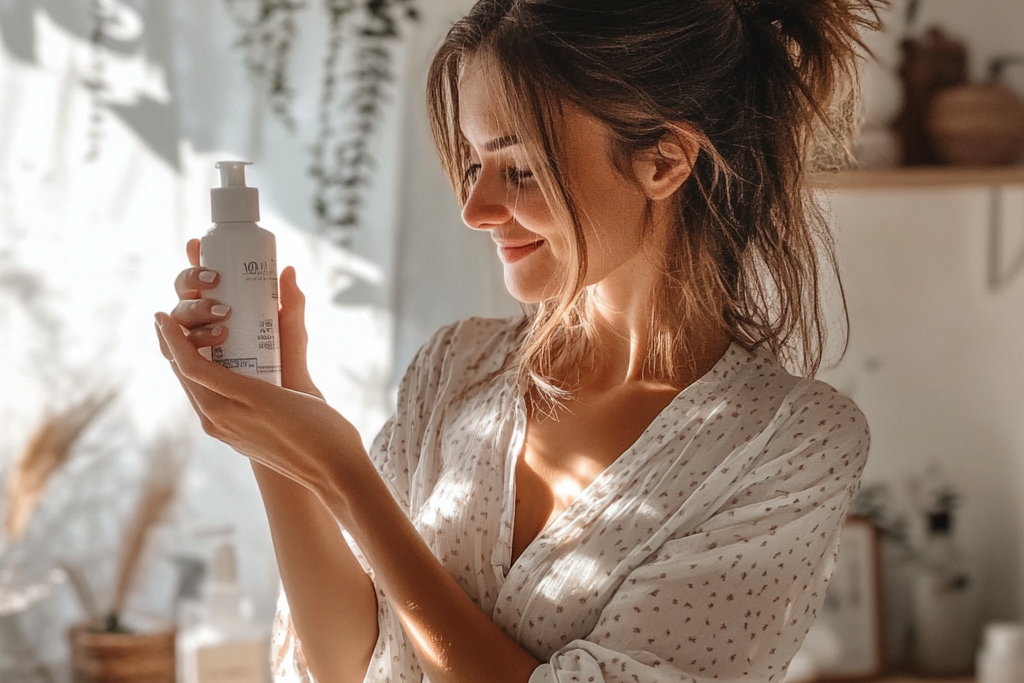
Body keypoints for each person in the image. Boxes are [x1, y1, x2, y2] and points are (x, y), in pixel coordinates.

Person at [155, 0, 879, 681]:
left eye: (520, 168)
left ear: (662, 162)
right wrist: (275, 421)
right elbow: (347, 663)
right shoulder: (457, 369)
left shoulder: (789, 444)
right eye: (474, 165)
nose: (475, 208)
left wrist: (344, 474)